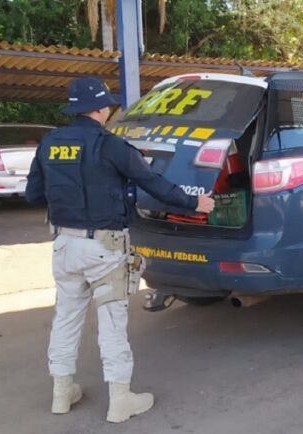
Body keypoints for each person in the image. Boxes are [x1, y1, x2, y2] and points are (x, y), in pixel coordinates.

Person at [25, 77, 215, 423]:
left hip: (64, 245)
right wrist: (194, 203)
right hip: (104, 248)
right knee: (112, 323)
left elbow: (33, 194)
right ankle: (120, 399)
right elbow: (153, 183)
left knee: (66, 318)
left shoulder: (49, 143)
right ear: (101, 108)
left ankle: (61, 393)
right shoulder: (111, 146)